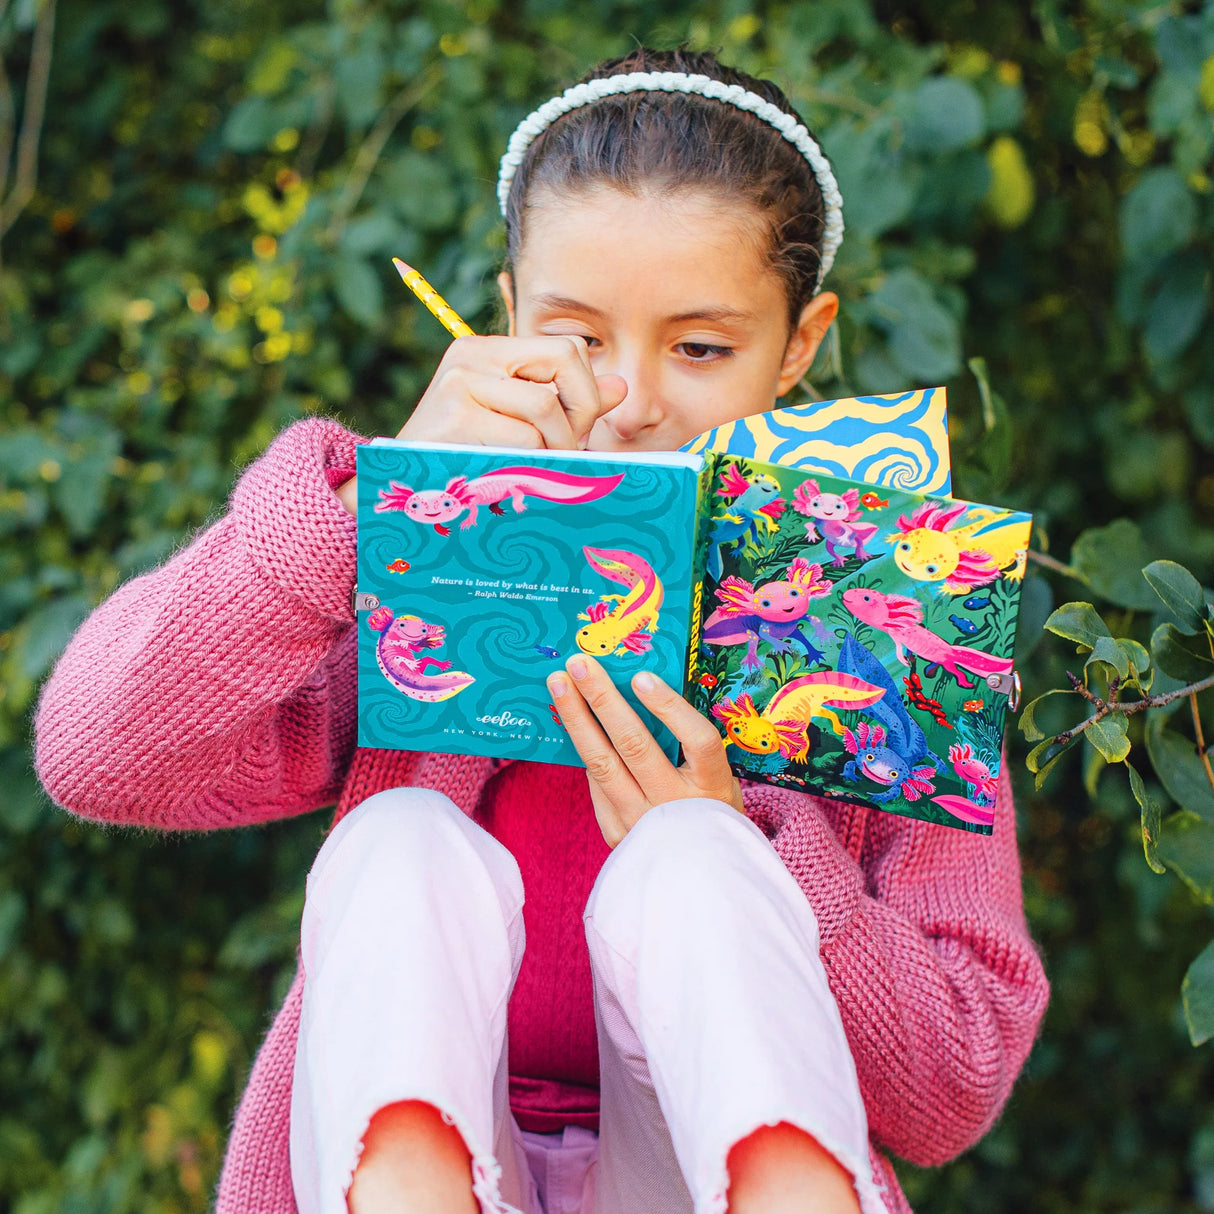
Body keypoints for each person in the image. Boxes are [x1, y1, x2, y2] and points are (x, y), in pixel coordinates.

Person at [33, 47, 1049, 1214]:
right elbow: (95, 751)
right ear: (510, 314)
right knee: (400, 836)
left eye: (700, 347)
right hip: (413, 1159)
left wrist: (753, 842)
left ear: (800, 340)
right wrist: (370, 508)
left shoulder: (879, 625)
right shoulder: (421, 565)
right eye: (576, 334)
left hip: (697, 1175)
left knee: (695, 861)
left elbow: (951, 1091)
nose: (629, 397)